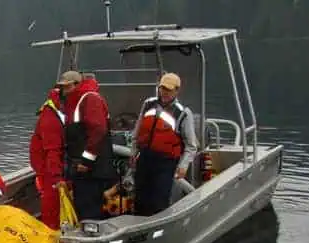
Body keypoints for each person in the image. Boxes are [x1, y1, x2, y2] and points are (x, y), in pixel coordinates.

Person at [130, 72, 199, 216]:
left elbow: (191, 145)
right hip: (145, 157)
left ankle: (156, 228)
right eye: (162, 88)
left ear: (177, 91)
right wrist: (133, 153)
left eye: (168, 89)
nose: (164, 93)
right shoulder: (148, 104)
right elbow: (137, 131)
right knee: (140, 198)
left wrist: (183, 166)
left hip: (166, 163)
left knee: (158, 201)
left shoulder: (183, 113)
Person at [58, 70, 116, 221]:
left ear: (77, 85)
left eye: (66, 87)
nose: (63, 91)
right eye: (62, 87)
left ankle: (94, 237)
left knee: (91, 209)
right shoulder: (74, 102)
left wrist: (86, 161)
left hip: (94, 171)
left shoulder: (90, 99)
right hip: (82, 169)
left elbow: (98, 130)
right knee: (83, 205)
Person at [28, 86, 66, 230]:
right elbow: (52, 151)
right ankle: (52, 237)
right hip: (48, 171)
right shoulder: (50, 118)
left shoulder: (52, 112)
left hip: (48, 168)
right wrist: (57, 177)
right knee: (51, 207)